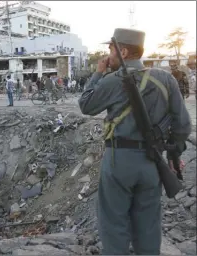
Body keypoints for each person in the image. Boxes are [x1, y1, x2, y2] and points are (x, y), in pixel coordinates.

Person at [78, 28, 192, 255]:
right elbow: (183, 125)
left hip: (118, 161)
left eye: (110, 49)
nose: (107, 54)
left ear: (124, 51)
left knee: (114, 225)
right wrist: (173, 155)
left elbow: (86, 105)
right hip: (151, 161)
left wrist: (98, 73)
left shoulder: (112, 80)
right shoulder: (165, 79)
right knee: (149, 227)